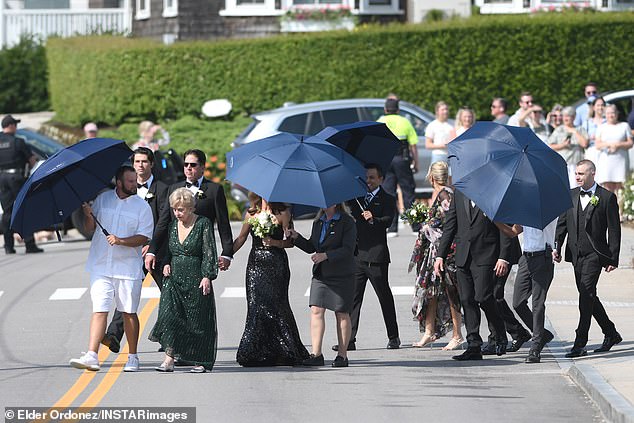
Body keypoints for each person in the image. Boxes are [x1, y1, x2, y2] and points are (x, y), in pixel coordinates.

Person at [69, 166, 153, 372]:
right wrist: (88, 214)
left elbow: (144, 237)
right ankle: (92, 355)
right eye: (131, 181)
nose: (135, 184)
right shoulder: (102, 200)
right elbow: (90, 229)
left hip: (127, 268)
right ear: (119, 183)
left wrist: (121, 240)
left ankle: (132, 356)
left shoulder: (142, 207)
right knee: (99, 310)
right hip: (100, 265)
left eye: (135, 180)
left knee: (129, 312)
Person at [101, 147, 170, 354]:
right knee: (126, 295)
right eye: (137, 162)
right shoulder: (125, 190)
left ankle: (170, 337)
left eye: (144, 162)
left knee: (169, 293)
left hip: (157, 250)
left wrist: (152, 245)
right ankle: (113, 334)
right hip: (132, 251)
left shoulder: (162, 189)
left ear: (152, 164)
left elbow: (164, 221)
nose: (140, 165)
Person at [554, 160, 622, 358]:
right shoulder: (571, 195)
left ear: (593, 173)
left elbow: (614, 230)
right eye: (576, 173)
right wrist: (557, 247)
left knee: (585, 295)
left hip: (595, 254)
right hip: (576, 255)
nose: (577, 177)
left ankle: (580, 342)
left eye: (581, 173)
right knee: (588, 295)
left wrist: (612, 258)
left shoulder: (607, 197)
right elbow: (562, 225)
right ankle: (610, 333)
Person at [433, 190, 513, 360]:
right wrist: (441, 255)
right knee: (467, 300)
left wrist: (503, 257)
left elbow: (506, 227)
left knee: (484, 297)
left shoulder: (493, 193)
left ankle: (499, 333)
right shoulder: (460, 194)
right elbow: (451, 226)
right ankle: (474, 345)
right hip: (463, 256)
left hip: (487, 254)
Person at [232, 194, 309, 366]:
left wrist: (275, 242)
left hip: (276, 263)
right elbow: (242, 238)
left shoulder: (283, 213)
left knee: (278, 305)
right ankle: (256, 351)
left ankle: (285, 350)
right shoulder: (251, 214)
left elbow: (290, 242)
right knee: (256, 305)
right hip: (256, 264)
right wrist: (226, 255)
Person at [149, 188, 219, 373]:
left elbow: (209, 251)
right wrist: (165, 263)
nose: (177, 213)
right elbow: (170, 250)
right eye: (174, 209)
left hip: (196, 277)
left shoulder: (203, 223)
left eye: (181, 210)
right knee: (168, 316)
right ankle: (169, 359)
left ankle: (200, 360)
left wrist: (207, 276)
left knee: (197, 320)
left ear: (190, 208)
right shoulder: (173, 225)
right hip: (173, 279)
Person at [340, 164, 400, 352]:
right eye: (366, 178)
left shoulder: (387, 199)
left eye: (372, 178)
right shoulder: (356, 199)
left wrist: (374, 218)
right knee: (353, 299)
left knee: (384, 297)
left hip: (376, 257)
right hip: (358, 256)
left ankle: (393, 336)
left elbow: (388, 221)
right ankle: (349, 339)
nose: (368, 181)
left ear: (381, 179)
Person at [290, 203, 357, 368]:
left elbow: (348, 250)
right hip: (321, 274)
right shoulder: (318, 221)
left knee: (341, 313)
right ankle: (316, 354)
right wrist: (295, 236)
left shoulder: (347, 222)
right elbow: (311, 246)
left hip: (342, 274)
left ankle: (342, 355)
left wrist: (326, 255)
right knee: (316, 309)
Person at [146, 149, 234, 274]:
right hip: (175, 253)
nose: (188, 168)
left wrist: (227, 253)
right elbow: (163, 222)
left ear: (203, 167)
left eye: (193, 165)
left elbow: (223, 223)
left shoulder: (214, 190)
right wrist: (152, 250)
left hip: (202, 253)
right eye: (186, 164)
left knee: (200, 290)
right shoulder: (174, 188)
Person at [409, 161, 464, 350]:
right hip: (433, 252)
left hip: (446, 251)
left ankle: (458, 335)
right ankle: (429, 332)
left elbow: (451, 223)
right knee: (430, 292)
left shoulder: (444, 194)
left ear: (431, 177)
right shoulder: (438, 193)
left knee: (451, 292)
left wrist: (430, 228)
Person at [496, 218, 558, 364]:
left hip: (543, 257)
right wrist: (495, 221)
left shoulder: (547, 213)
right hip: (526, 258)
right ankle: (542, 334)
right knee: (517, 302)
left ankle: (535, 348)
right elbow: (512, 233)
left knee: (537, 304)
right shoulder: (525, 213)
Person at [0, 115, 43, 254]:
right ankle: (30, 244)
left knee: (7, 213)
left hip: (2, 179)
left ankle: (8, 246)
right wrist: (34, 159)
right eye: (15, 125)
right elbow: (32, 161)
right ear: (11, 126)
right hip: (17, 178)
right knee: (23, 209)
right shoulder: (18, 142)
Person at [377, 97, 420, 236]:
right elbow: (413, 144)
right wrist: (416, 162)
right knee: (408, 192)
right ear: (398, 110)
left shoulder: (380, 121)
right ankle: (415, 227)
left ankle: (392, 228)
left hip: (386, 160)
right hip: (402, 158)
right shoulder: (405, 121)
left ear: (385, 110)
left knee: (389, 193)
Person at [481, 234, 528, 355]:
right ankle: (516, 332)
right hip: (490, 252)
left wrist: (504, 258)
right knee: (491, 296)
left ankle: (498, 338)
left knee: (493, 295)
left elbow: (508, 229)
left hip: (502, 253)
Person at [594, 104, 633, 196]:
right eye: (608, 113)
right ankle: (609, 209)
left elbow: (630, 143)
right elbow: (597, 145)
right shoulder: (601, 127)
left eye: (613, 113)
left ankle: (620, 210)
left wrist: (618, 145)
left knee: (621, 187)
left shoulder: (624, 125)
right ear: (605, 114)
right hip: (607, 161)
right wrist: (609, 145)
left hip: (621, 161)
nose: (611, 115)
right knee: (607, 187)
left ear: (617, 113)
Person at [548, 107, 589, 188]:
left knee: (576, 188)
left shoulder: (580, 129)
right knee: (563, 187)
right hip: (563, 164)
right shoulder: (559, 129)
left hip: (577, 164)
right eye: (564, 116)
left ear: (573, 117)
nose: (566, 118)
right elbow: (550, 146)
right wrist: (562, 145)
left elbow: (584, 144)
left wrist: (574, 131)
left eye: (568, 116)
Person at [425, 101, 455, 166]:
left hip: (452, 156)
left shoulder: (453, 123)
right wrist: (443, 146)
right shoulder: (432, 125)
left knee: (452, 176)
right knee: (438, 176)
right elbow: (428, 145)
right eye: (443, 110)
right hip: (438, 156)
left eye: (446, 109)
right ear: (437, 112)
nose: (445, 111)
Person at [583, 96, 606, 164]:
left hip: (605, 151)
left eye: (602, 105)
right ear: (593, 107)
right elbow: (583, 141)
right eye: (598, 105)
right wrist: (589, 138)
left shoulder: (608, 122)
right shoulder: (587, 123)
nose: (600, 107)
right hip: (592, 152)